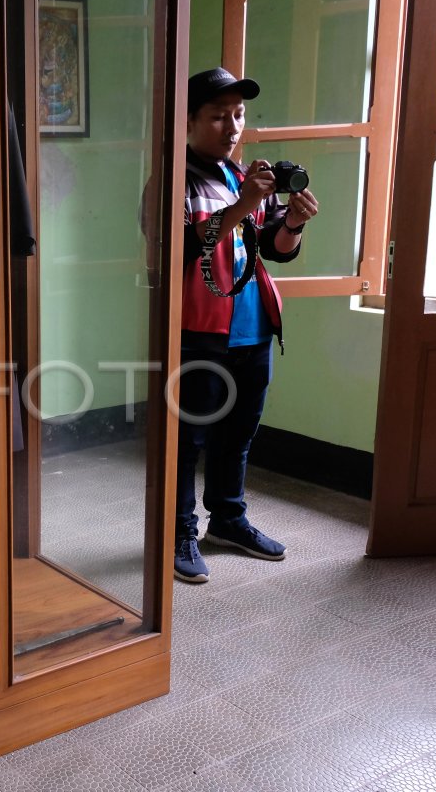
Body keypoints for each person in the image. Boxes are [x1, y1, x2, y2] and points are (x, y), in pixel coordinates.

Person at [175, 68, 318, 583]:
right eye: (217, 116)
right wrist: (244, 207)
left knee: (237, 435)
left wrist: (293, 223)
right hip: (198, 330)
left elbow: (276, 252)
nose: (231, 127)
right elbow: (186, 247)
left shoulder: (242, 177)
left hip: (254, 327)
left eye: (237, 115)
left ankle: (228, 521)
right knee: (187, 440)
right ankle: (178, 532)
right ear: (187, 120)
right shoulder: (173, 178)